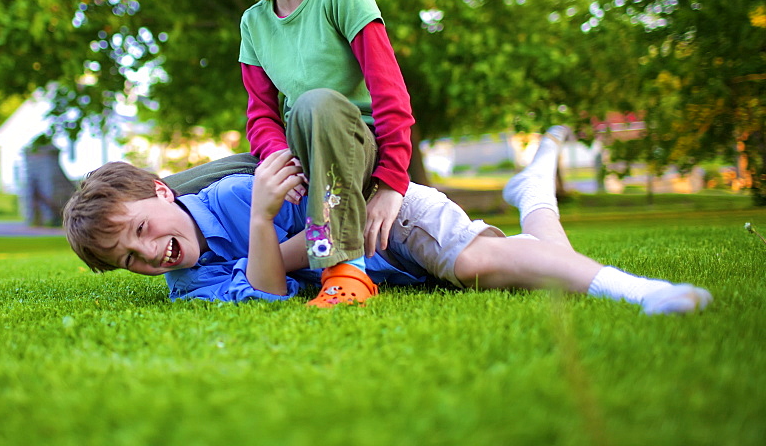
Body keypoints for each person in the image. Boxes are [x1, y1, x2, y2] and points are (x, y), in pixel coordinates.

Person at [63, 127, 713, 315]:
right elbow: (263, 292)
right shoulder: (186, 285)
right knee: (525, 268)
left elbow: (329, 230)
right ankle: (535, 189)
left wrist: (269, 224)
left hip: (387, 218)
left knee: (481, 263)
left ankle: (641, 291)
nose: (149, 255)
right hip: (380, 265)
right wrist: (267, 230)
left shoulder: (235, 192)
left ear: (162, 191)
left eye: (141, 230)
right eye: (130, 259)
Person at [217, 0, 414, 306]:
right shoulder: (253, 24)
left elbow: (392, 98)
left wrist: (390, 185)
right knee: (194, 181)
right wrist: (279, 157)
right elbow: (260, 116)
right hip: (302, 150)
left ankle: (345, 271)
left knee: (314, 103)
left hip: (356, 145)